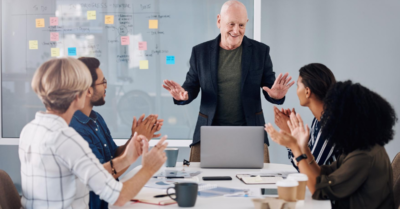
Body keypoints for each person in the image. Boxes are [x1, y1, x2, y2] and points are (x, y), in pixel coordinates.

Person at [19, 57, 168, 208]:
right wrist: (148, 168)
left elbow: (86, 172)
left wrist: (127, 157)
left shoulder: (30, 130)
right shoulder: (67, 138)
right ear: (79, 94)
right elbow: (119, 197)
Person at [162, 0, 294, 162]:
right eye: (231, 24)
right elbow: (191, 85)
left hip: (250, 132)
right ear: (219, 21)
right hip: (209, 131)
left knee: (257, 183)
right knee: (204, 184)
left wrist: (276, 95)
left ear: (246, 23)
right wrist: (182, 95)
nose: (236, 30)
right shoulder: (200, 52)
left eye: (241, 25)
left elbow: (270, 89)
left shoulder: (260, 51)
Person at [265, 80, 396, 209]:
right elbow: (322, 174)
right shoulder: (360, 147)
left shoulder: (363, 156)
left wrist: (295, 148)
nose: (330, 118)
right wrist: (303, 148)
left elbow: (318, 191)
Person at [70, 57, 164, 209]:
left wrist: (135, 139)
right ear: (88, 90)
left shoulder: (95, 118)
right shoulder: (75, 130)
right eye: (103, 82)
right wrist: (144, 164)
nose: (107, 87)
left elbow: (114, 155)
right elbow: (104, 176)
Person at [274, 63, 339, 171]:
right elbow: (306, 155)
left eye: (298, 86)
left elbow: (308, 170)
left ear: (307, 91)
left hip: (336, 187)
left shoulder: (330, 123)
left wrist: (290, 136)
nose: (296, 91)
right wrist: (294, 132)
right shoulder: (319, 120)